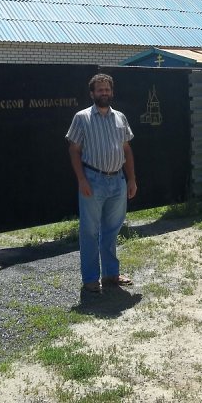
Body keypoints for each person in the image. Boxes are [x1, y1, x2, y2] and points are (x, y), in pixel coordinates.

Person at [66, 73, 137, 293]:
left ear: (112, 92)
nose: (104, 93)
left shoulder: (120, 118)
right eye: (99, 90)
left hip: (118, 180)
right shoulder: (82, 117)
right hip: (93, 180)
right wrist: (81, 180)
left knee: (112, 230)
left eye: (107, 89)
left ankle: (111, 274)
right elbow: (74, 150)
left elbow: (126, 149)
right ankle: (90, 278)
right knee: (89, 231)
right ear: (92, 93)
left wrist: (132, 179)